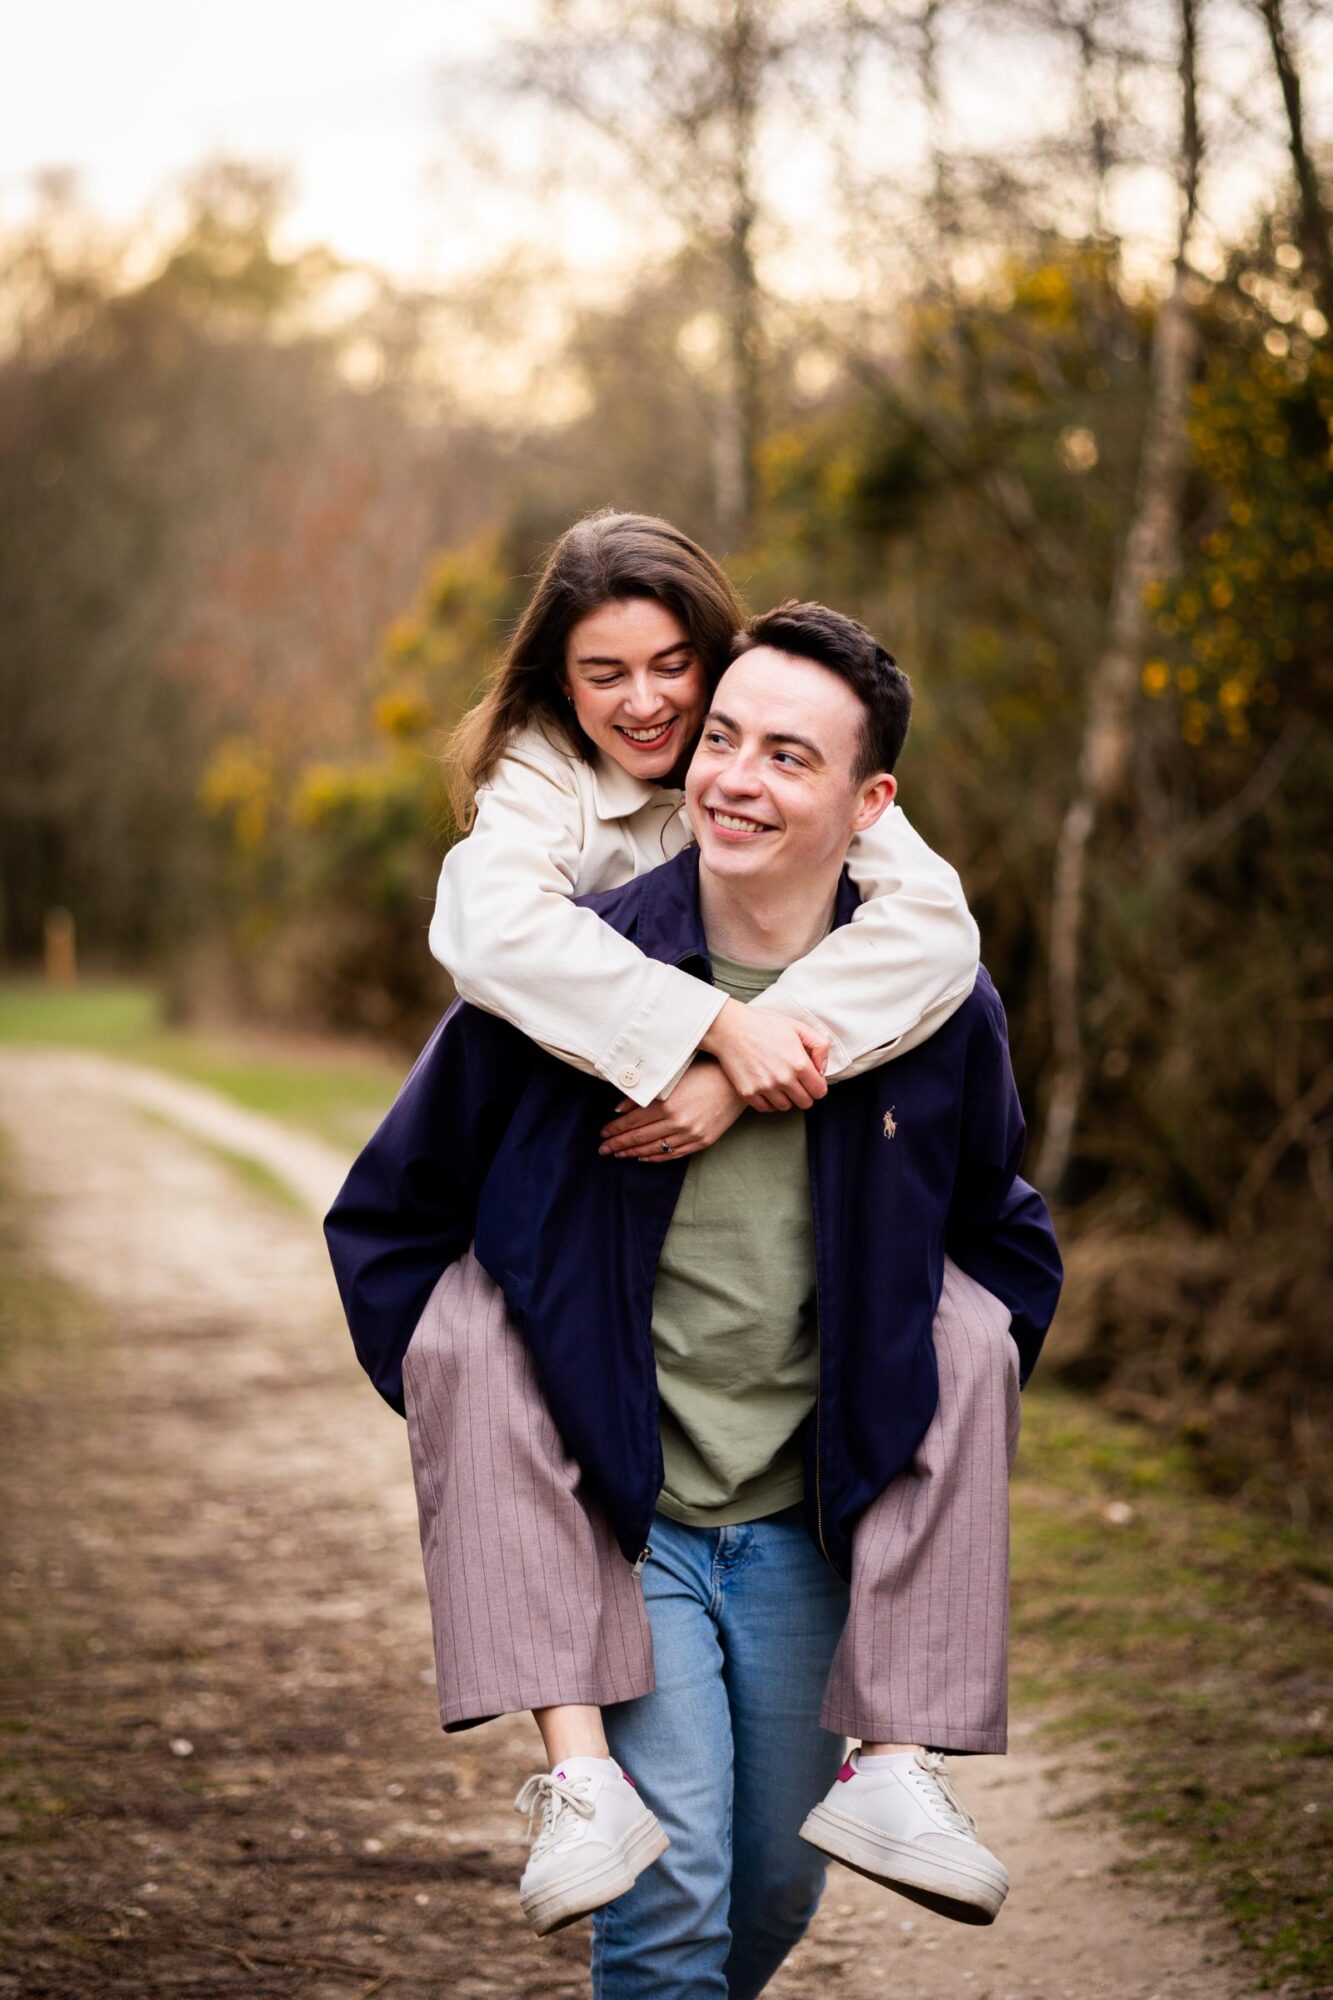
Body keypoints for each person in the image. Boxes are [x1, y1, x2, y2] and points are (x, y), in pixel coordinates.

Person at [326, 602, 1063, 1995]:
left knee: (775, 1887)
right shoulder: (566, 980)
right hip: (624, 1518)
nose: (732, 776)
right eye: (719, 739)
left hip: (808, 1525)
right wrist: (476, 1393)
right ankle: (584, 1791)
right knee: (674, 1902)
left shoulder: (935, 1013)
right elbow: (391, 1213)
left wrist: (949, 1382)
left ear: (870, 804)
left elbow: (997, 1226)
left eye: (789, 756)